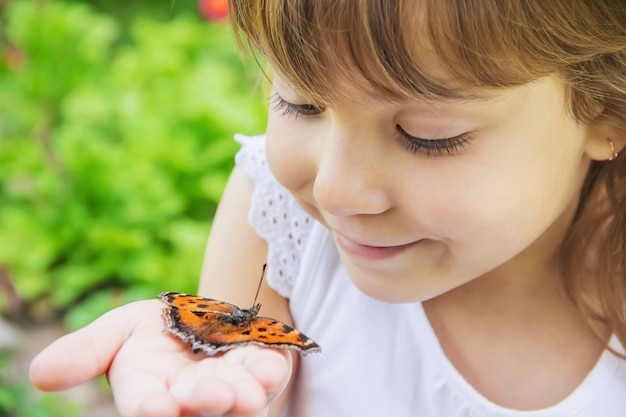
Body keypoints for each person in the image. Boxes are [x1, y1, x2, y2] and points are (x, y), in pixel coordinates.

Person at [29, 0, 626, 416]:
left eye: (426, 135)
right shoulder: (276, 222)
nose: (336, 193)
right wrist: (197, 383)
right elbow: (233, 380)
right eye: (298, 102)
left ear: (605, 112)